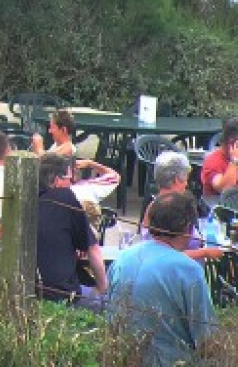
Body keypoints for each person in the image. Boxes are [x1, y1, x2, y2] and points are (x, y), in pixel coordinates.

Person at [108, 192, 217, 366]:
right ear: (188, 227)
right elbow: (207, 339)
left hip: (121, 358)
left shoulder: (122, 258)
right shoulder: (188, 269)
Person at [36, 153, 107, 308]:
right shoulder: (65, 197)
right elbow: (92, 249)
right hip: (61, 295)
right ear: (56, 181)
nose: (72, 183)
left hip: (28, 291)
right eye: (69, 179)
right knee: (108, 304)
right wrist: (102, 288)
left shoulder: (27, 199)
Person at [140, 151, 222, 264]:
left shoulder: (156, 204)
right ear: (177, 179)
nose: (186, 184)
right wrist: (205, 253)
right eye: (186, 179)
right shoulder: (168, 209)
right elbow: (165, 255)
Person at [200, 117, 238, 199]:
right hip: (222, 207)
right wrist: (235, 161)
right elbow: (225, 189)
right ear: (232, 143)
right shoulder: (213, 161)